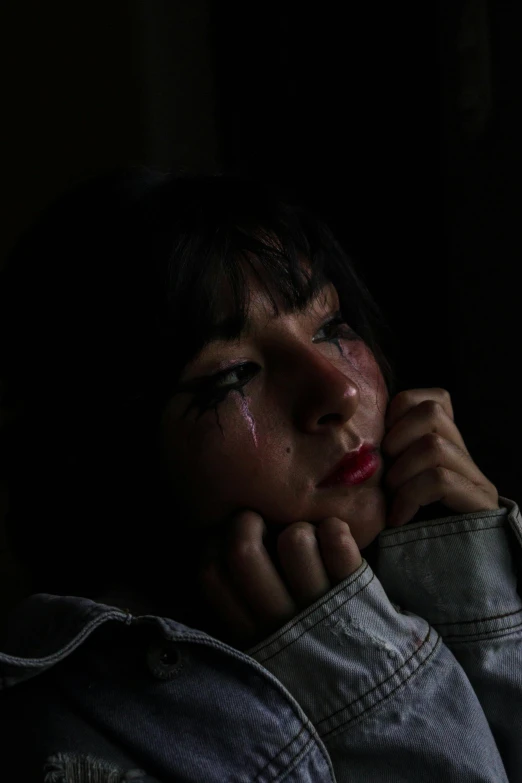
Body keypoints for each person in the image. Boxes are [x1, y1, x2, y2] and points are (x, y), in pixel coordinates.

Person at [0, 167, 520, 782]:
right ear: (110, 461)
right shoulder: (77, 753)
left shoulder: (447, 562)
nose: (341, 389)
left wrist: (480, 602)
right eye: (233, 375)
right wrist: (377, 695)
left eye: (330, 327)